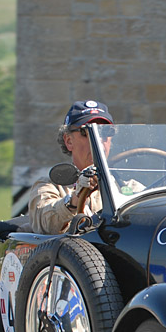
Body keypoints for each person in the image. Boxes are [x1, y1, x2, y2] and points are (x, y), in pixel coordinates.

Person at [28, 100, 115, 234]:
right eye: (86, 132)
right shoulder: (49, 186)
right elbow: (45, 224)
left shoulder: (126, 187)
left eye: (106, 131)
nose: (99, 139)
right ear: (69, 141)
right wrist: (75, 199)